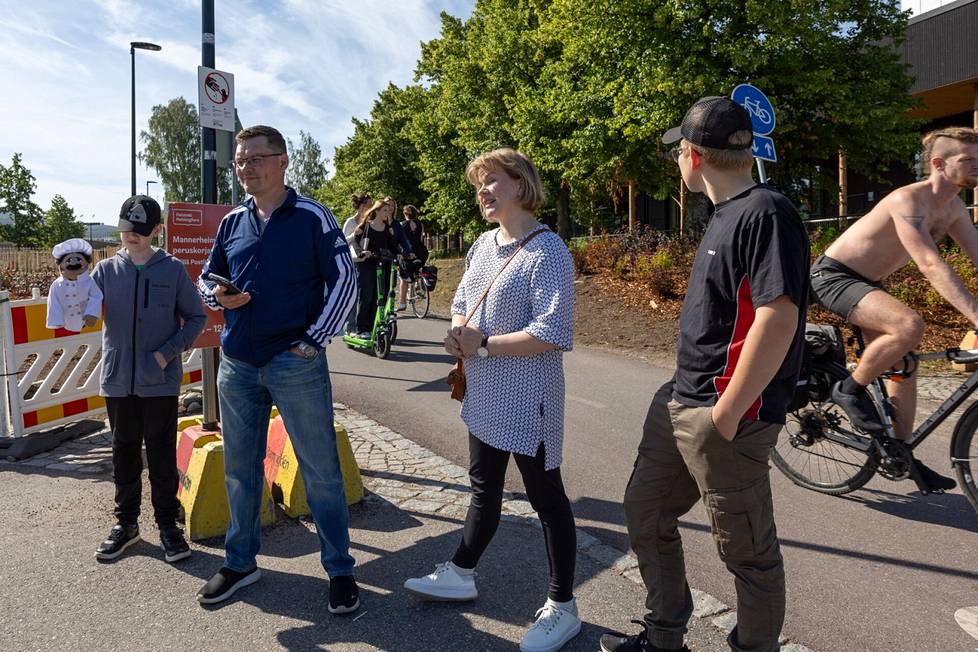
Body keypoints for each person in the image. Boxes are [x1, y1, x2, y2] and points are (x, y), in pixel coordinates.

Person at [600, 97, 809, 652]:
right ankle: (665, 637)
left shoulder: (767, 211)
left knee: (747, 553)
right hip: (680, 399)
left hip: (724, 414)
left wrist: (728, 412)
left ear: (692, 156)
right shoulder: (725, 213)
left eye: (678, 154)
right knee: (646, 513)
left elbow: (779, 315)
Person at [403, 148, 580, 652]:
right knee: (484, 488)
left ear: (521, 183)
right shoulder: (483, 244)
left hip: (529, 398)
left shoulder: (547, 251)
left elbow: (554, 331)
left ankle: (563, 605)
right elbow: (461, 302)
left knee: (548, 502)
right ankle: (461, 572)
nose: (482, 191)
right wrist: (458, 334)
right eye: (478, 184)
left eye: (492, 181)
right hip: (485, 392)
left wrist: (482, 344)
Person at [195, 125, 360, 612]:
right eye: (240, 161)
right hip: (239, 362)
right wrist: (216, 295)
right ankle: (241, 562)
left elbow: (346, 278)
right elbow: (208, 277)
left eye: (255, 159)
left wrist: (313, 342)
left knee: (321, 471)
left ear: (283, 161)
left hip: (295, 362)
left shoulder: (312, 216)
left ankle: (340, 569)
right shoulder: (232, 221)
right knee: (240, 470)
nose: (246, 167)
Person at [810, 127, 978, 492]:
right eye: (968, 159)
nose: (977, 165)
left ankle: (900, 454)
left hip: (869, 282)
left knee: (904, 365)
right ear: (938, 164)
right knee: (908, 325)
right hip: (834, 275)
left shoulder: (953, 207)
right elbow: (931, 264)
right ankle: (848, 389)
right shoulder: (908, 201)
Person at [92, 195, 206, 563]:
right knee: (124, 449)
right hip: (118, 379)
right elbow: (80, 312)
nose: (132, 237)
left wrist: (166, 354)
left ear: (156, 230)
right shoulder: (106, 271)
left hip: (159, 380)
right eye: (127, 229)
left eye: (140, 231)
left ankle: (168, 525)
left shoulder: (171, 269)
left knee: (159, 452)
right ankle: (126, 524)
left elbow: (197, 318)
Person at [351, 196, 403, 338]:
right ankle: (362, 329)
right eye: (385, 210)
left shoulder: (387, 229)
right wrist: (361, 252)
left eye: (389, 210)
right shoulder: (365, 226)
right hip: (367, 264)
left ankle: (374, 325)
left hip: (382, 265)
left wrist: (398, 254)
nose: (388, 213)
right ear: (378, 211)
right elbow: (355, 242)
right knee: (366, 295)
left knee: (379, 297)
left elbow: (393, 246)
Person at [343, 192, 372, 333]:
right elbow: (342, 241)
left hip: (366, 262)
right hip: (352, 261)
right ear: (361, 206)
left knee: (364, 295)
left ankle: (363, 326)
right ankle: (351, 326)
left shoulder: (369, 222)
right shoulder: (351, 221)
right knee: (353, 296)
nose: (370, 207)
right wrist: (354, 234)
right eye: (368, 205)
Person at [396, 204, 428, 310]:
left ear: (405, 214)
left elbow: (401, 241)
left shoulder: (401, 225)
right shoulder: (420, 225)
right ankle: (418, 286)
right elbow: (420, 238)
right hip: (421, 252)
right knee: (417, 268)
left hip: (408, 253)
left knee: (403, 277)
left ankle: (402, 303)